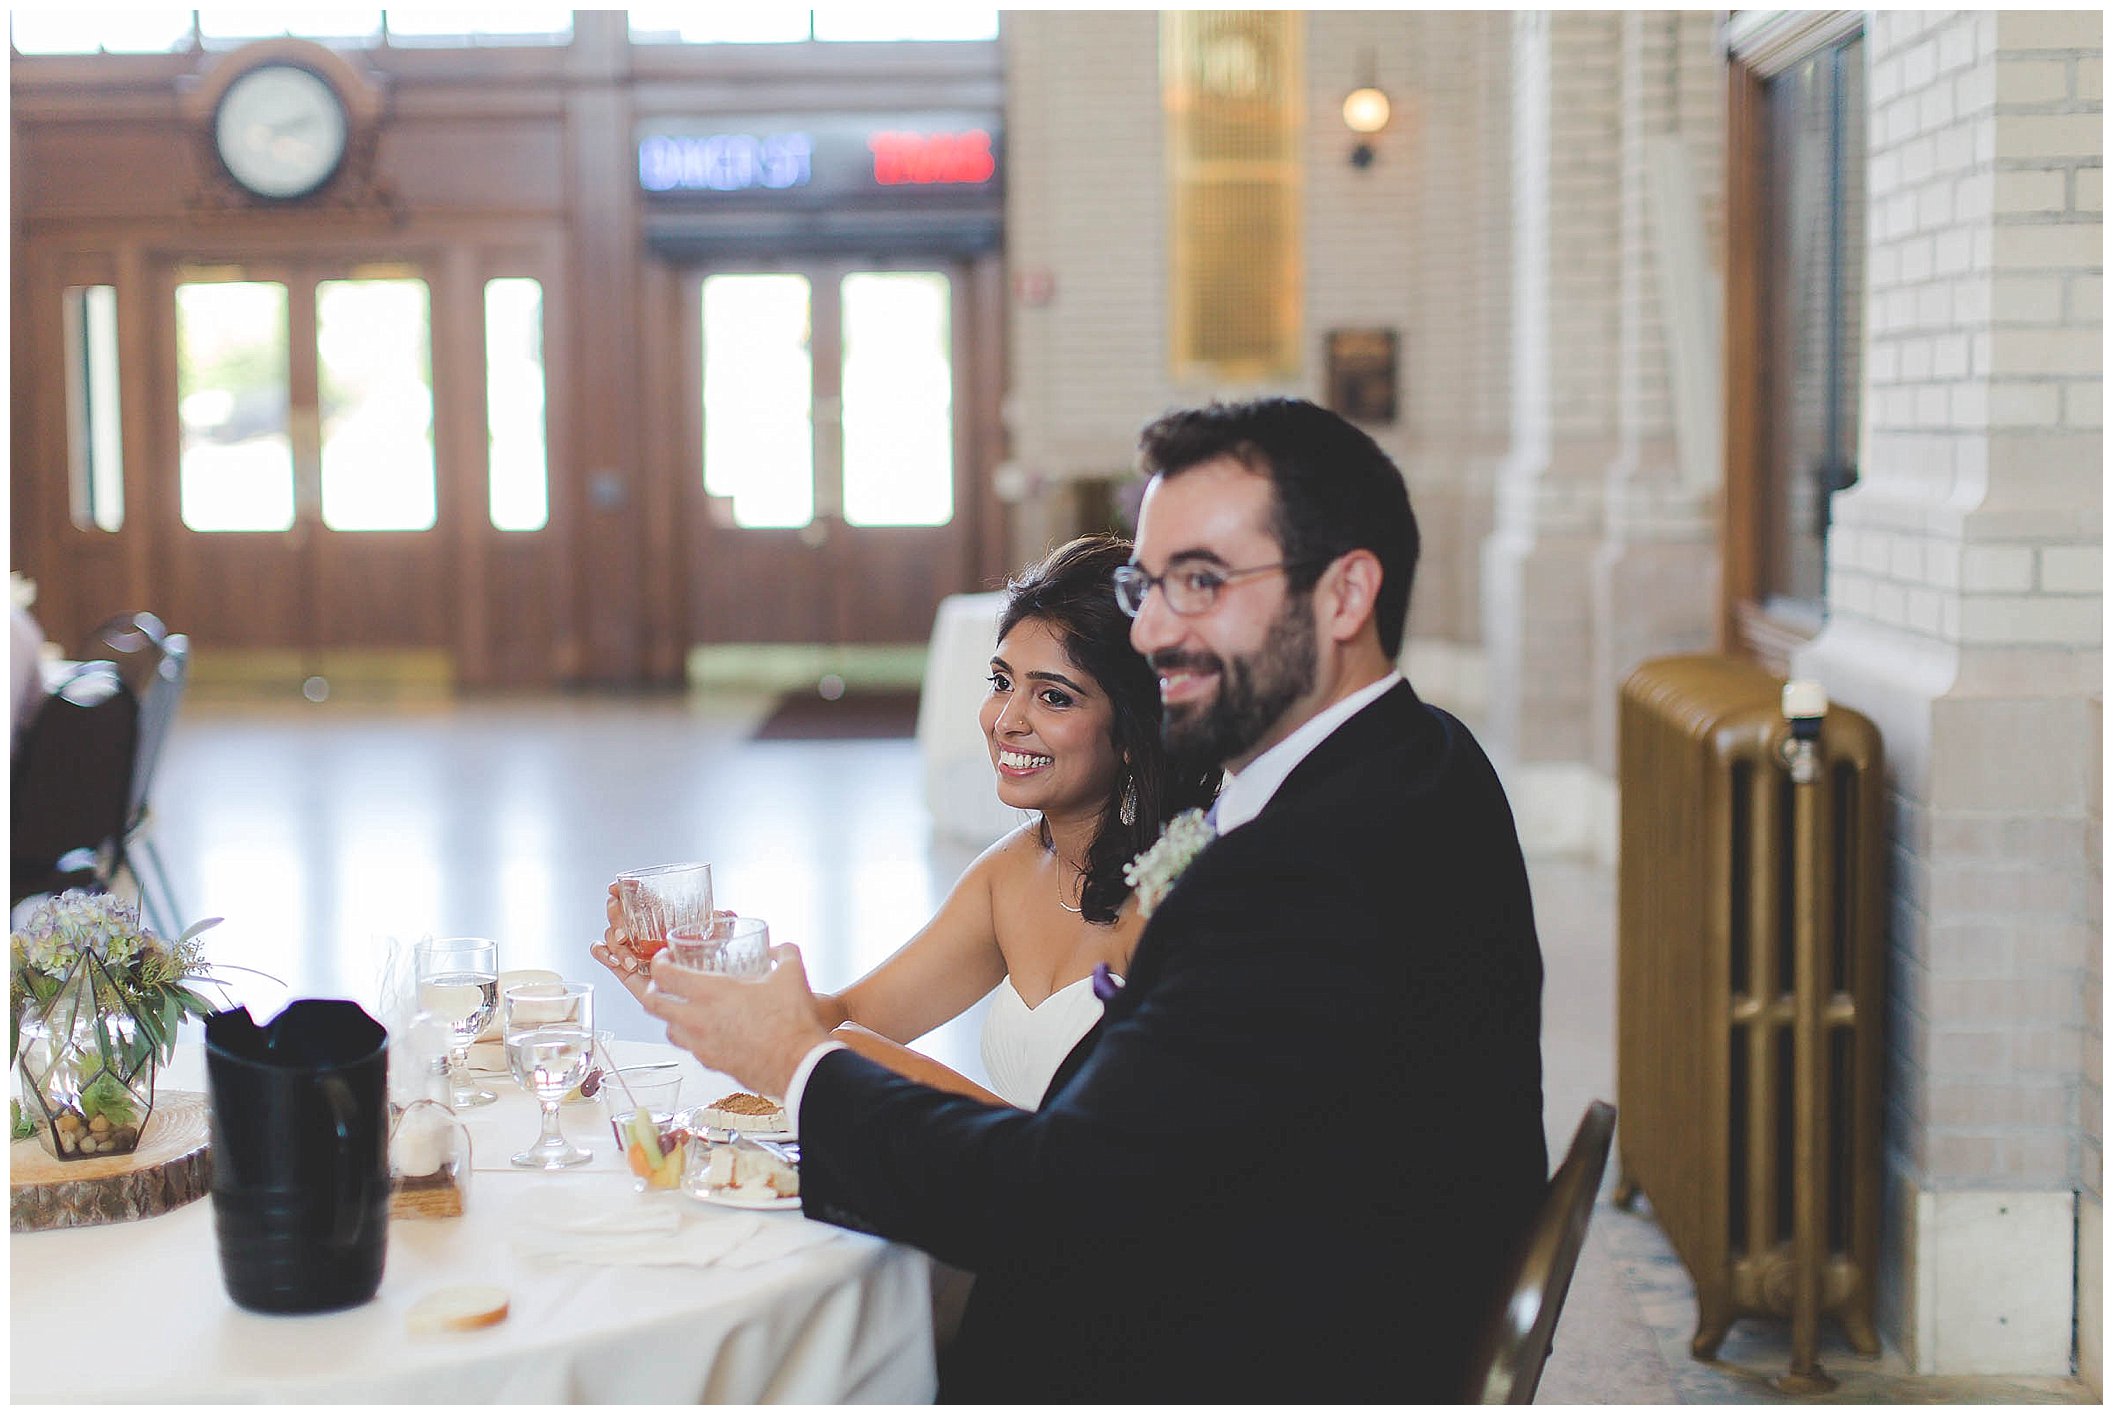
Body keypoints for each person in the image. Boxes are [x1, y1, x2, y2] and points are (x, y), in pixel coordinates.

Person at [621, 397, 1547, 1402]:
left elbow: (1056, 1209)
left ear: (1344, 593)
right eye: (1147, 586)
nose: (1150, 629)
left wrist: (797, 1060)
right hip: (1288, 1286)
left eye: (1200, 582)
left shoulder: (1306, 869)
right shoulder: (1420, 760)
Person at [597, 534, 1218, 1111]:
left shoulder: (1179, 903)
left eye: (1054, 696)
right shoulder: (1012, 872)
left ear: (1136, 730)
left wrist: (838, 1057)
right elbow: (848, 1016)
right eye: (1001, 683)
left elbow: (1101, 1156)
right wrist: (699, 976)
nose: (1006, 721)